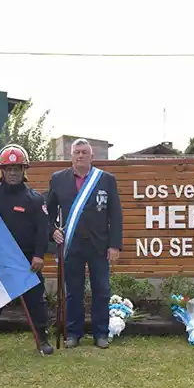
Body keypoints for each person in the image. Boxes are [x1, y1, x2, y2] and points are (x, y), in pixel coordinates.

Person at [0, 144, 54, 355]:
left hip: (26, 261)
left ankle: (42, 339)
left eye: (17, 168)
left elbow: (43, 230)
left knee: (36, 300)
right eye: (9, 169)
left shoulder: (35, 199)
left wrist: (38, 255)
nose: (13, 173)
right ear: (2, 171)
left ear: (24, 170)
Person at [46, 138, 122, 349]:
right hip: (72, 246)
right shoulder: (58, 179)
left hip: (99, 246)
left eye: (84, 152)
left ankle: (101, 334)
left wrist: (114, 245)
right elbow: (47, 212)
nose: (80, 155)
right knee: (73, 292)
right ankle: (73, 333)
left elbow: (115, 214)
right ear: (70, 156)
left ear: (92, 156)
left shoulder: (106, 180)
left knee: (101, 290)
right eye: (76, 152)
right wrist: (53, 231)